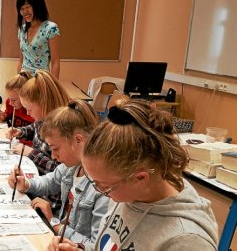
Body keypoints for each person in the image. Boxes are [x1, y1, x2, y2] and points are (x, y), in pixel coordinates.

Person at [47, 99, 218, 251]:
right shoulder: (128, 194)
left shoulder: (187, 241)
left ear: (140, 178)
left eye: (105, 187)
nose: (100, 192)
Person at [8, 100, 109, 245]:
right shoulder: (72, 166)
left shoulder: (103, 186)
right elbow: (50, 181)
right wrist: (25, 184)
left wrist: (54, 223)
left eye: (55, 148)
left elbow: (95, 246)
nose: (53, 156)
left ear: (78, 140)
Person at [7, 70, 70, 175]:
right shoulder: (42, 118)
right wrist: (21, 131)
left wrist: (31, 153)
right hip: (35, 173)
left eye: (29, 109)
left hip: (47, 183)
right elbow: (35, 127)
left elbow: (57, 171)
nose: (27, 113)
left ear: (44, 103)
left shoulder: (61, 129)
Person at [16, 0, 61, 78]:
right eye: (22, 9)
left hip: (41, 81)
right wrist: (17, 82)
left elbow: (55, 62)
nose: (25, 12)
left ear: (37, 6)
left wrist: (52, 88)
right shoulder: (21, 29)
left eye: (28, 7)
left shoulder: (51, 28)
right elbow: (21, 60)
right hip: (23, 81)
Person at [0, 71, 35, 146]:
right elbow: (8, 117)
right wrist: (3, 117)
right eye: (9, 98)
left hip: (26, 148)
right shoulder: (10, 103)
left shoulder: (35, 111)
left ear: (26, 96)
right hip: (15, 143)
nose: (10, 103)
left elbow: (38, 140)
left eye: (13, 100)